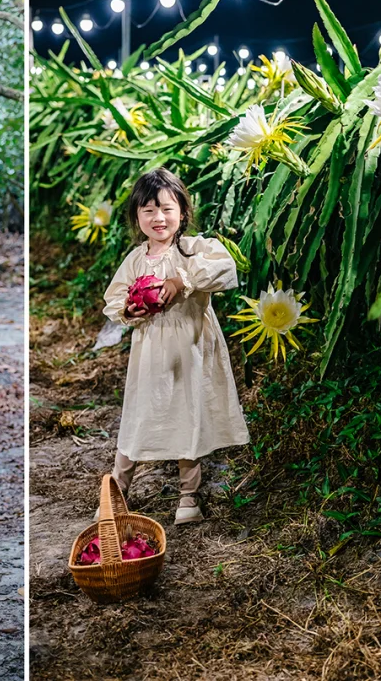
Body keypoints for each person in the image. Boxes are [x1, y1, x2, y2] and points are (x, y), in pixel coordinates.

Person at [103, 167, 248, 526]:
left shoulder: (194, 249)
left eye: (167, 208)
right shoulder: (136, 259)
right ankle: (117, 493)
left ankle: (188, 496)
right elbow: (114, 297)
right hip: (151, 350)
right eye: (148, 210)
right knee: (139, 414)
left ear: (182, 212)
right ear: (137, 217)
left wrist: (179, 279)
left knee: (188, 414)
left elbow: (225, 269)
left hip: (191, 348)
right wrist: (129, 308)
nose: (158, 217)